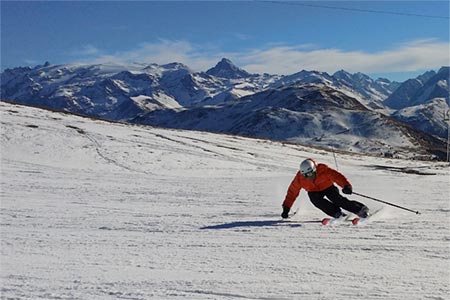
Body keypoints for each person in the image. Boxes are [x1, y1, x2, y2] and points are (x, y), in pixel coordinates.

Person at [281, 158, 369, 219]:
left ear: (314, 169)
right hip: (313, 191)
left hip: (328, 187)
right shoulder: (300, 178)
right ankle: (337, 213)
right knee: (316, 201)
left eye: (311, 174)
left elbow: (337, 177)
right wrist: (286, 208)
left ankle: (360, 209)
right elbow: (292, 193)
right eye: (306, 176)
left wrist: (346, 186)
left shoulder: (323, 170)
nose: (309, 177)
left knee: (338, 200)